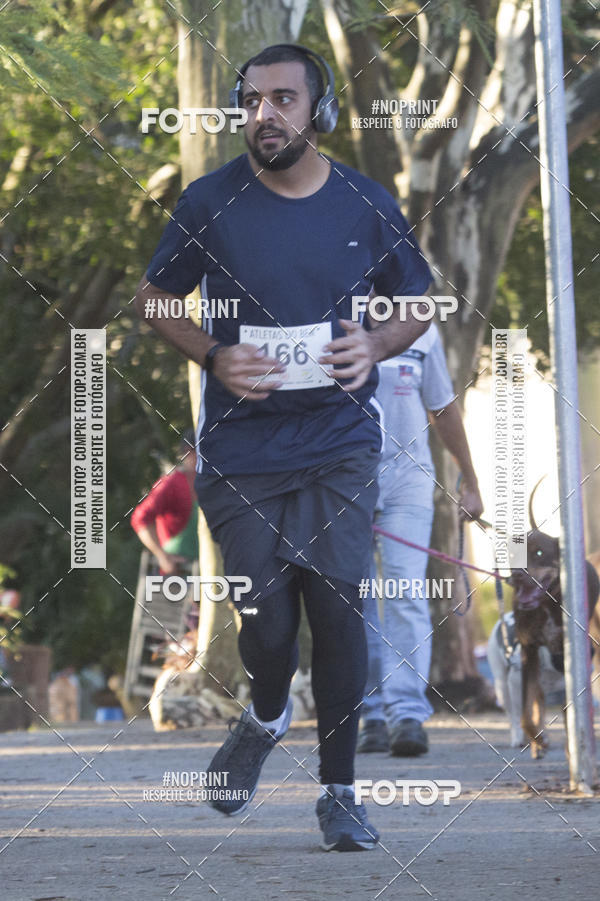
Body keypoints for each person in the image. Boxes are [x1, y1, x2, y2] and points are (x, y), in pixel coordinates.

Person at [134, 43, 432, 852]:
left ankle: (340, 793)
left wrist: (374, 345)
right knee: (265, 622)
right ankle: (267, 711)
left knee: (338, 610)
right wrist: (212, 353)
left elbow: (420, 302)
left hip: (338, 441)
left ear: (318, 109)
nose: (263, 115)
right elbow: (153, 298)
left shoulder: (364, 204)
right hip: (240, 446)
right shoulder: (209, 203)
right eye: (251, 100)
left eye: (282, 100)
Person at [358, 323, 483, 757]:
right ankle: (369, 714)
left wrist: (470, 479)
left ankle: (406, 713)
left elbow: (443, 408)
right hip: (344, 482)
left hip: (408, 483)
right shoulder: (329, 315)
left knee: (405, 592)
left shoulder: (420, 331)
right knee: (352, 600)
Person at [130, 429, 199, 576]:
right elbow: (140, 519)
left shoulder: (213, 485)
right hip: (175, 576)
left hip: (207, 573)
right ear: (188, 452)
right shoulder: (172, 483)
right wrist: (162, 556)